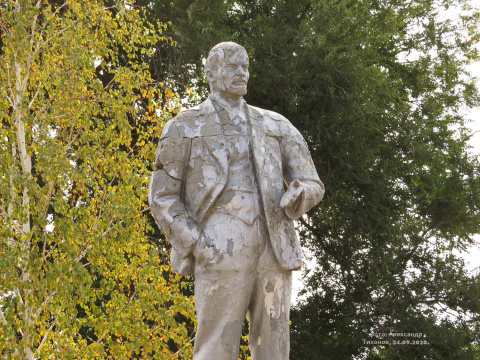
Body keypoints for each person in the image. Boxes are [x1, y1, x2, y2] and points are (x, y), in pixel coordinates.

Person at [149, 41, 324, 360]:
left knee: (275, 349)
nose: (242, 72)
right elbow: (162, 198)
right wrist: (198, 243)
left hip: (275, 249)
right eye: (233, 66)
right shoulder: (183, 127)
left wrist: (301, 194)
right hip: (218, 247)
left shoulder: (275, 125)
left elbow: (312, 182)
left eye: (245, 66)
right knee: (216, 347)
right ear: (211, 73)